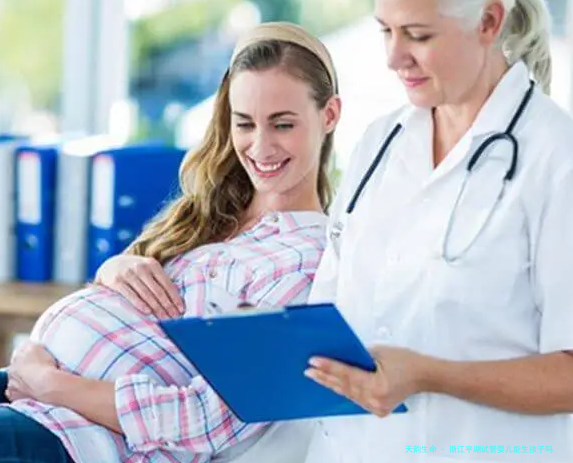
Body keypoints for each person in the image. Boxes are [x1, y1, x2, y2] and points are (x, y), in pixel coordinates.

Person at [0, 22, 341, 463]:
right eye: (244, 123)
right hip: (34, 386)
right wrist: (115, 269)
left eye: (283, 124)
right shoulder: (210, 216)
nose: (260, 146)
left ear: (329, 115)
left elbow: (213, 418)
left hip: (76, 431)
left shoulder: (309, 263)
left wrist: (52, 385)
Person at [298, 0, 573, 462]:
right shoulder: (380, 142)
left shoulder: (556, 156)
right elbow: (329, 309)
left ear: (488, 22)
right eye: (385, 31)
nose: (393, 57)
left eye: (418, 35)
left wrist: (431, 375)